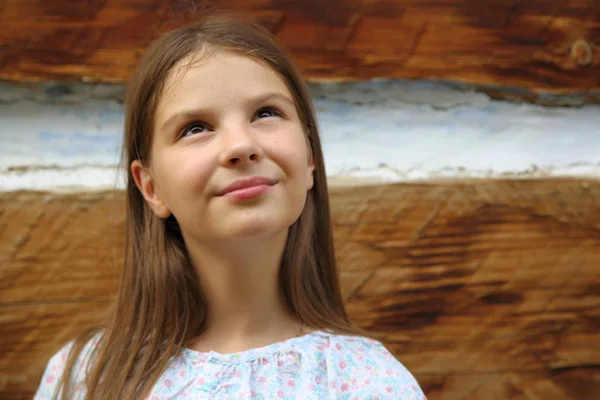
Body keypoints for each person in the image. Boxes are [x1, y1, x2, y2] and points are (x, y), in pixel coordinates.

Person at [33, 14, 426, 400]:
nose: (241, 145)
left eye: (266, 113)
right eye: (195, 128)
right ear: (150, 186)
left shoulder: (370, 384)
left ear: (309, 159)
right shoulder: (85, 378)